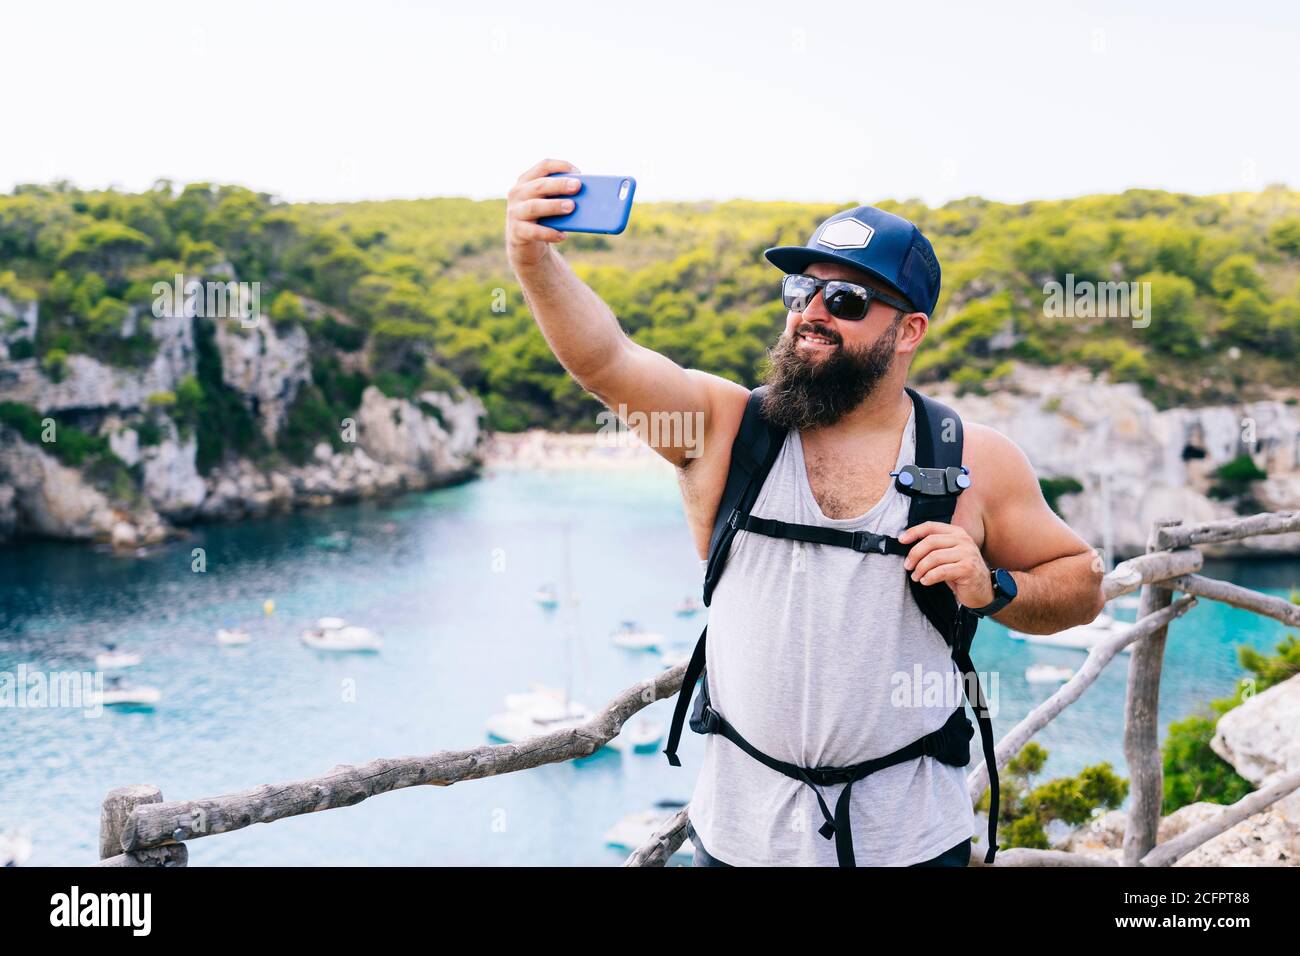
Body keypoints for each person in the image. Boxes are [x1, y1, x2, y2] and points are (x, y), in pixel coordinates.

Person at [505, 159, 1105, 866]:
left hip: (908, 840)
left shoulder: (974, 458)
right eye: (801, 290)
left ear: (909, 331)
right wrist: (531, 259)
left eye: (846, 300)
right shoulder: (726, 431)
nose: (811, 313)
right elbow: (606, 359)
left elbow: (1083, 583)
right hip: (741, 837)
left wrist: (993, 586)